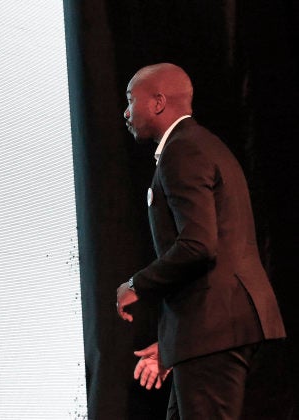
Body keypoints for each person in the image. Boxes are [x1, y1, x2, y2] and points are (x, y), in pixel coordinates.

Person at [115, 63, 286, 419]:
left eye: (132, 100)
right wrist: (171, 346)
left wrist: (137, 284)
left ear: (158, 102)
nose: (126, 111)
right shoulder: (201, 145)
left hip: (216, 330)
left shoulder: (183, 151)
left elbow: (198, 246)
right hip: (209, 332)